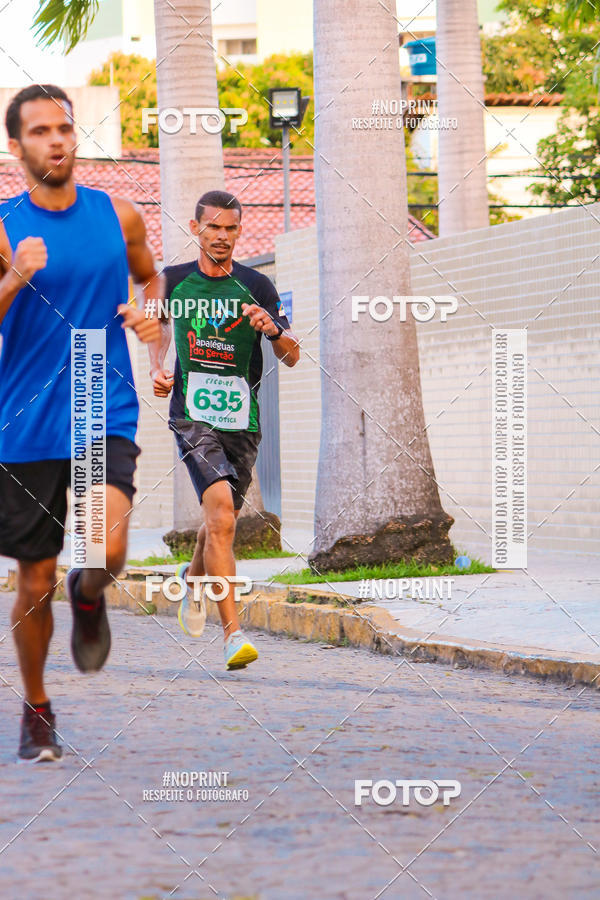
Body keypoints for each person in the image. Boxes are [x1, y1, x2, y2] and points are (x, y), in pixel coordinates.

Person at [0, 84, 161, 762]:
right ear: (17, 148)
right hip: (25, 419)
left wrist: (156, 326)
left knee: (106, 548)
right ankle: (38, 708)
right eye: (39, 131)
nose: (57, 140)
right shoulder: (4, 225)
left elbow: (151, 281)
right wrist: (14, 276)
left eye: (64, 127)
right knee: (33, 578)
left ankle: (89, 594)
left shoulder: (117, 216)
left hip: (101, 400)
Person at [150, 190, 299, 670]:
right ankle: (233, 635)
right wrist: (158, 367)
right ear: (196, 229)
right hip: (193, 413)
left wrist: (272, 330)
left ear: (239, 231)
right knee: (221, 519)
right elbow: (153, 330)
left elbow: (293, 354)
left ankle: (192, 582)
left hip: (242, 419)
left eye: (230, 228)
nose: (222, 237)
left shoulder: (258, 285)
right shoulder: (171, 281)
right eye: (213, 227)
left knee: (221, 521)